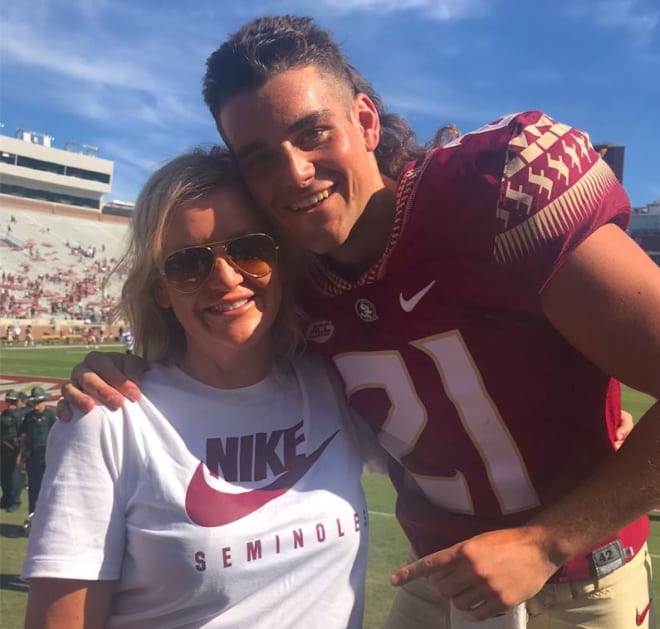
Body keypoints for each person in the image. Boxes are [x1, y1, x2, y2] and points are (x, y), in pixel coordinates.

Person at [60, 15, 659, 628]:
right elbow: (230, 371)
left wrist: (547, 540)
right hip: (439, 579)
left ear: (366, 122)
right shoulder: (293, 280)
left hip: (579, 578)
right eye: (260, 157)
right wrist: (124, 370)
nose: (294, 172)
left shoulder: (492, 192)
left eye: (313, 133)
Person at [22, 147, 371, 629]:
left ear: (281, 259)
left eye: (249, 248)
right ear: (160, 288)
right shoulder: (107, 417)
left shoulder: (334, 383)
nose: (226, 278)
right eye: (188, 263)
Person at [19, 386, 56, 520]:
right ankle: (32, 517)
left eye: (38, 402)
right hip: (32, 456)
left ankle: (45, 519)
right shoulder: (28, 417)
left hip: (46, 457)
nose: (36, 406)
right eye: (34, 403)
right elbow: (24, 436)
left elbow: (56, 437)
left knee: (46, 488)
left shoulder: (50, 416)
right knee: (33, 488)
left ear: (44, 401)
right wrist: (21, 456)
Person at [1, 390, 25, 512]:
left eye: (13, 401)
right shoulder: (4, 414)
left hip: (14, 449)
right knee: (4, 476)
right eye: (9, 401)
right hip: (3, 449)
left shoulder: (19, 416)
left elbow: (22, 436)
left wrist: (20, 453)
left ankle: (15, 501)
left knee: (14, 476)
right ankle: (6, 499)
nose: (10, 404)